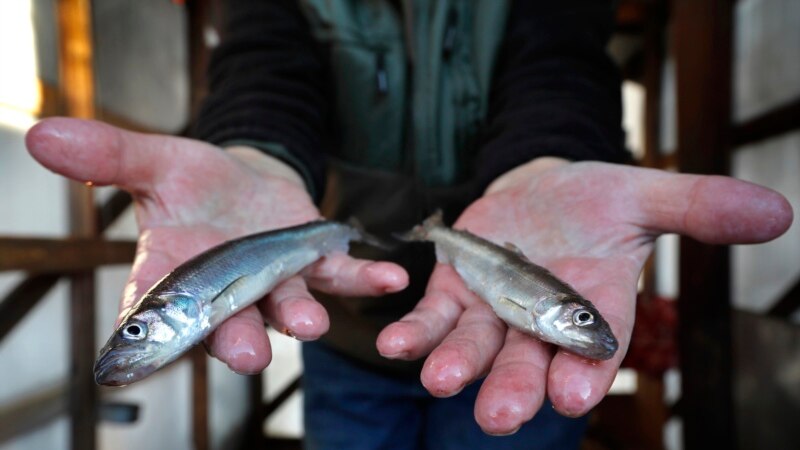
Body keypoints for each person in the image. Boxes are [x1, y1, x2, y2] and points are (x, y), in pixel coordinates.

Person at [26, 0, 793, 449]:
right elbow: (262, 64)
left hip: (505, 347)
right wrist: (251, 153)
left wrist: (549, 157)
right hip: (344, 324)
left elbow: (562, 58)